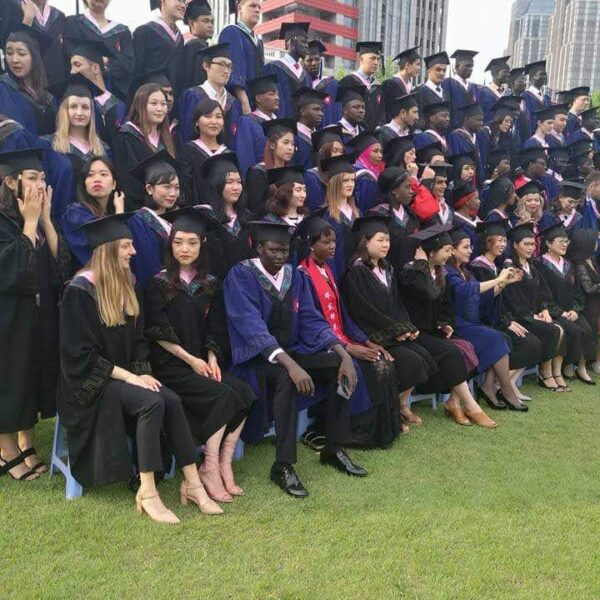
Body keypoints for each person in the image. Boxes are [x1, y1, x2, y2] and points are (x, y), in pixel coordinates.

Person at [59, 213, 223, 521]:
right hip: (89, 385)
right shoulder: (79, 291)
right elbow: (81, 357)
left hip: (124, 378)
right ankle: (148, 492)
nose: (133, 252)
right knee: (151, 402)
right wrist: (131, 377)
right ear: (108, 250)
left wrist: (143, 372)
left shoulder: (128, 283)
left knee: (170, 399)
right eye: (126, 246)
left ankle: (193, 485)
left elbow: (138, 341)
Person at [224, 221, 366, 497]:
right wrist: (291, 366)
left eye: (285, 250)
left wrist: (342, 353)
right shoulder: (241, 275)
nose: (280, 256)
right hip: (257, 359)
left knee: (338, 367)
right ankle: (283, 464)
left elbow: (312, 318)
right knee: (286, 378)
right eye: (274, 250)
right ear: (258, 247)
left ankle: (333, 447)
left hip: (293, 352)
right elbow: (250, 326)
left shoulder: (295, 276)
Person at [144, 207, 255, 501]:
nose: (184, 248)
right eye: (178, 242)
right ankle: (208, 467)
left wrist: (212, 357)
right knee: (224, 397)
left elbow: (215, 327)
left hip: (200, 362)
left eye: (192, 243)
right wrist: (191, 360)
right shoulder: (158, 283)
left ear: (202, 245)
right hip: (171, 366)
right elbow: (157, 331)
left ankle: (223, 463)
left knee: (245, 393)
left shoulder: (210, 283)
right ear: (170, 244)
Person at [297, 216, 404, 446]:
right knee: (363, 366)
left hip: (339, 338)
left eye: (334, 241)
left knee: (383, 362)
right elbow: (309, 323)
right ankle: (345, 430)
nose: (333, 246)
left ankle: (378, 429)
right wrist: (347, 348)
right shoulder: (302, 275)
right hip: (317, 344)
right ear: (311, 245)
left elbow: (343, 315)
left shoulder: (327, 270)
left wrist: (366, 341)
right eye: (326, 242)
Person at [0, 148, 69, 482]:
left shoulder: (36, 218)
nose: (40, 184)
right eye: (31, 178)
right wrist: (29, 222)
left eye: (42, 178)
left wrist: (45, 220)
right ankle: (6, 448)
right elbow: (14, 271)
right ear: (10, 182)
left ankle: (26, 440)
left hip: (38, 316)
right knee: (10, 378)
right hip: (8, 317)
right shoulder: (4, 221)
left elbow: (61, 267)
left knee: (30, 375)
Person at [339, 215, 439, 427]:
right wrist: (395, 330)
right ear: (366, 242)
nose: (386, 245)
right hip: (372, 334)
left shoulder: (387, 269)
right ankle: (394, 408)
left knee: (424, 356)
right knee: (412, 361)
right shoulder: (356, 271)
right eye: (380, 240)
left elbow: (397, 304)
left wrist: (407, 327)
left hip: (393, 332)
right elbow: (364, 310)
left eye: (388, 240)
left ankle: (401, 404)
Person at [399, 225, 497, 428]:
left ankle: (454, 401)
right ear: (431, 251)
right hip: (412, 332)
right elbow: (430, 293)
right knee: (451, 352)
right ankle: (471, 406)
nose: (449, 254)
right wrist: (422, 264)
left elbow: (446, 304)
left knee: (467, 348)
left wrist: (446, 323)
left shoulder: (438, 271)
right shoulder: (412, 271)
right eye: (446, 250)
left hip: (432, 331)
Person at [447, 228, 528, 410]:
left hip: (470, 323)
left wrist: (504, 283)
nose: (470, 251)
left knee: (501, 337)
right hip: (456, 324)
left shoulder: (464, 271)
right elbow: (467, 290)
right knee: (495, 337)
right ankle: (506, 391)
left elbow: (483, 296)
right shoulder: (448, 272)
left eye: (470, 247)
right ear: (452, 250)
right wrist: (499, 279)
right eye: (465, 247)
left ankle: (489, 387)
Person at [470, 220, 545, 401]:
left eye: (505, 240)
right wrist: (506, 322)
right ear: (488, 242)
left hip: (500, 317)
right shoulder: (478, 267)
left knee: (532, 341)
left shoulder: (497, 266)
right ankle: (501, 385)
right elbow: (484, 300)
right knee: (527, 342)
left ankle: (502, 384)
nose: (503, 244)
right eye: (499, 240)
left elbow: (502, 299)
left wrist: (508, 319)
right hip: (485, 320)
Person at [504, 222, 567, 392]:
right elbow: (513, 299)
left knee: (558, 329)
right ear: (515, 245)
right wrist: (531, 316)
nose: (531, 248)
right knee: (553, 330)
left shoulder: (531, 267)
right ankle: (545, 374)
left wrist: (544, 310)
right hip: (518, 317)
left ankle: (548, 373)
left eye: (532, 244)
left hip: (533, 315)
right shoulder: (511, 268)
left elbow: (543, 293)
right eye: (526, 244)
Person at [537, 222, 596, 385]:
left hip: (571, 311)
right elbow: (542, 294)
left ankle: (581, 367)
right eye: (560, 241)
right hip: (554, 312)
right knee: (575, 331)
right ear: (548, 243)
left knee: (588, 330)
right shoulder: (539, 264)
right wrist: (559, 312)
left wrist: (576, 310)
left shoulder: (569, 264)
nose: (565, 244)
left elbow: (578, 292)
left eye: (566, 241)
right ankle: (567, 366)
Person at [44, 74, 109, 221]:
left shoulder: (103, 149)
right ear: (64, 110)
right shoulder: (49, 146)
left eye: (85, 107)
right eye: (73, 106)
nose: (79, 113)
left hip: (97, 224)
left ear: (92, 112)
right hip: (60, 223)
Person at [113, 83, 176, 210]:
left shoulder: (166, 138)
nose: (160, 109)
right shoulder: (126, 136)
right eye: (154, 103)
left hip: (166, 207)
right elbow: (127, 181)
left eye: (163, 104)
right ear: (140, 105)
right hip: (139, 209)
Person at [127, 151, 180, 287]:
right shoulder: (137, 221)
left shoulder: (175, 219)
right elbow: (146, 265)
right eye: (167, 187)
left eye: (177, 188)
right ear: (149, 188)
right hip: (156, 290)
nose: (173, 193)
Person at [63, 0, 135, 99]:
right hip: (83, 92)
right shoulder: (73, 23)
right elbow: (70, 55)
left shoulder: (122, 31)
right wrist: (105, 61)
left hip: (114, 94)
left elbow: (129, 64)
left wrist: (105, 60)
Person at [61, 155, 125, 267]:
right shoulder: (75, 214)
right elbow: (107, 251)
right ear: (84, 183)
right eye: (90, 175)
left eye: (103, 174)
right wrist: (119, 212)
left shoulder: (108, 214)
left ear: (114, 184)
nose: (97, 179)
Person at [177, 43, 242, 148]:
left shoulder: (234, 103)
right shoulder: (192, 96)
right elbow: (187, 135)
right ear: (206, 66)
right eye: (221, 64)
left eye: (229, 66)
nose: (226, 71)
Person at [0, 24, 56, 136]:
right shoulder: (3, 89)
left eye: (21, 54)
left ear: (35, 57)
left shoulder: (50, 93)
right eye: (9, 53)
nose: (14, 60)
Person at [202, 154, 252, 279]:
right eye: (229, 182)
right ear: (217, 184)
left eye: (239, 182)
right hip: (215, 283)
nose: (236, 187)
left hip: (244, 282)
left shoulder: (247, 217)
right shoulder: (206, 217)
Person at [177, 98, 232, 206]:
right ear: (197, 122)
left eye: (218, 117)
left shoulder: (228, 154)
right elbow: (185, 188)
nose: (214, 121)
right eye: (208, 116)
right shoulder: (188, 151)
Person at [218, 0, 265, 116]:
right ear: (239, 8)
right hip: (238, 104)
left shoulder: (259, 42)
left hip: (256, 105)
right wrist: (244, 101)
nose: (257, 10)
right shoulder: (232, 32)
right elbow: (234, 69)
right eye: (252, 6)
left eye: (259, 7)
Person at [369, 167, 420, 269]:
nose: (411, 191)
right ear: (394, 190)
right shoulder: (378, 215)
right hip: (388, 271)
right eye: (407, 187)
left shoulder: (410, 214)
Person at [319, 153, 361, 279]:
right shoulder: (325, 215)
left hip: (358, 276)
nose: (350, 184)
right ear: (335, 183)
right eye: (345, 181)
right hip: (339, 275)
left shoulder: (357, 213)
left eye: (352, 180)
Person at [133, 0, 184, 99]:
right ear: (163, 1)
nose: (183, 5)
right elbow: (136, 72)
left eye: (184, 2)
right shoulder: (144, 32)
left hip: (173, 101)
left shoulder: (180, 38)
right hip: (149, 100)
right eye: (179, 0)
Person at [245, 118, 296, 215]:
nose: (290, 148)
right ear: (272, 145)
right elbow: (255, 209)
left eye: (292, 144)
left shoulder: (290, 172)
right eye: (285, 142)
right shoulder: (258, 172)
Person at [263, 22, 312, 119]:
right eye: (303, 42)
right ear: (292, 43)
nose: (307, 46)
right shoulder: (273, 68)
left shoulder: (306, 75)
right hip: (280, 124)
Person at [568, 229, 600, 375]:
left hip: (596, 302)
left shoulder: (591, 258)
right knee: (590, 332)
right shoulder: (578, 263)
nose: (597, 243)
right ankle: (582, 364)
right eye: (595, 240)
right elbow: (588, 288)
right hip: (587, 305)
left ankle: (595, 361)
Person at [234, 75, 279, 178]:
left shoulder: (278, 122)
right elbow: (245, 157)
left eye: (277, 94)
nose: (277, 98)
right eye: (271, 94)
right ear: (258, 98)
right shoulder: (247, 122)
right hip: (258, 179)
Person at [17, 0, 66, 86]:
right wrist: (27, 20)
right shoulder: (14, 9)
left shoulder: (59, 16)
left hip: (56, 79)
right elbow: (10, 44)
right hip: (27, 80)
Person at [339, 41, 384, 131]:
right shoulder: (348, 81)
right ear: (361, 59)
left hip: (374, 135)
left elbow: (382, 114)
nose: (376, 62)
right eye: (373, 58)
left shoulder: (378, 86)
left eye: (378, 59)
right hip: (354, 132)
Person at [304, 126, 345, 211]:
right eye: (335, 151)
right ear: (322, 151)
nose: (339, 155)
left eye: (341, 152)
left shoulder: (340, 176)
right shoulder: (311, 177)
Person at [304, 39, 340, 127]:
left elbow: (337, 113)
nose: (314, 63)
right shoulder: (299, 85)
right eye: (309, 60)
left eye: (317, 59)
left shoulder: (331, 84)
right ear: (303, 62)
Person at [447, 102, 485, 185]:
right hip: (461, 184)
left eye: (482, 120)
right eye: (478, 120)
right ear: (467, 119)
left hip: (475, 183)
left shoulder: (475, 139)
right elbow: (456, 164)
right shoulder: (455, 137)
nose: (481, 123)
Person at [512, 180, 554, 255]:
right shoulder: (516, 220)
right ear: (523, 202)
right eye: (529, 200)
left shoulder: (541, 219)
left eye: (536, 200)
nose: (533, 203)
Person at [179, 0, 213, 91]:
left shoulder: (196, 45)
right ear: (192, 24)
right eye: (206, 21)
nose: (210, 25)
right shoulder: (195, 46)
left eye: (212, 22)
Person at [347, 130, 383, 214]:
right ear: (364, 153)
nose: (380, 155)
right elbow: (365, 209)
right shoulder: (366, 178)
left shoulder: (353, 168)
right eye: (375, 151)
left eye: (381, 152)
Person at [382, 47, 421, 122]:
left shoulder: (412, 88)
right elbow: (384, 111)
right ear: (407, 65)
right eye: (417, 64)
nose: (419, 68)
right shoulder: (390, 84)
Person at [291, 87, 327, 169]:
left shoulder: (320, 137)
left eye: (322, 110)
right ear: (302, 111)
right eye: (316, 109)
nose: (321, 114)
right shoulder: (293, 136)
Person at [263, 165, 307, 229]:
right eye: (298, 190)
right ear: (284, 192)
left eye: (304, 190)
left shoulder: (307, 219)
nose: (303, 195)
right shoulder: (270, 222)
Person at [443, 49, 478, 129]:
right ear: (457, 67)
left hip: (469, 129)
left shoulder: (473, 87)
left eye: (472, 66)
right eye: (467, 66)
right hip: (452, 129)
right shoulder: (448, 83)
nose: (470, 69)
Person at [450, 180, 481, 257]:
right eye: (476, 198)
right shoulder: (454, 222)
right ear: (467, 201)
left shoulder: (475, 219)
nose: (479, 201)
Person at [477, 56, 511, 123]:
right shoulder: (482, 92)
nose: (508, 74)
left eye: (509, 72)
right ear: (495, 73)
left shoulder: (508, 94)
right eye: (505, 72)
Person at [415, 52, 450, 118]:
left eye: (444, 70)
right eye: (438, 70)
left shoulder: (446, 93)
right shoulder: (419, 91)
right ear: (429, 71)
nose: (442, 73)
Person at [522, 61, 551, 137]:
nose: (544, 77)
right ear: (532, 77)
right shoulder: (525, 96)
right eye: (541, 74)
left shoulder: (547, 98)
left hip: (545, 137)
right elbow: (526, 121)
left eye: (545, 75)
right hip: (531, 136)